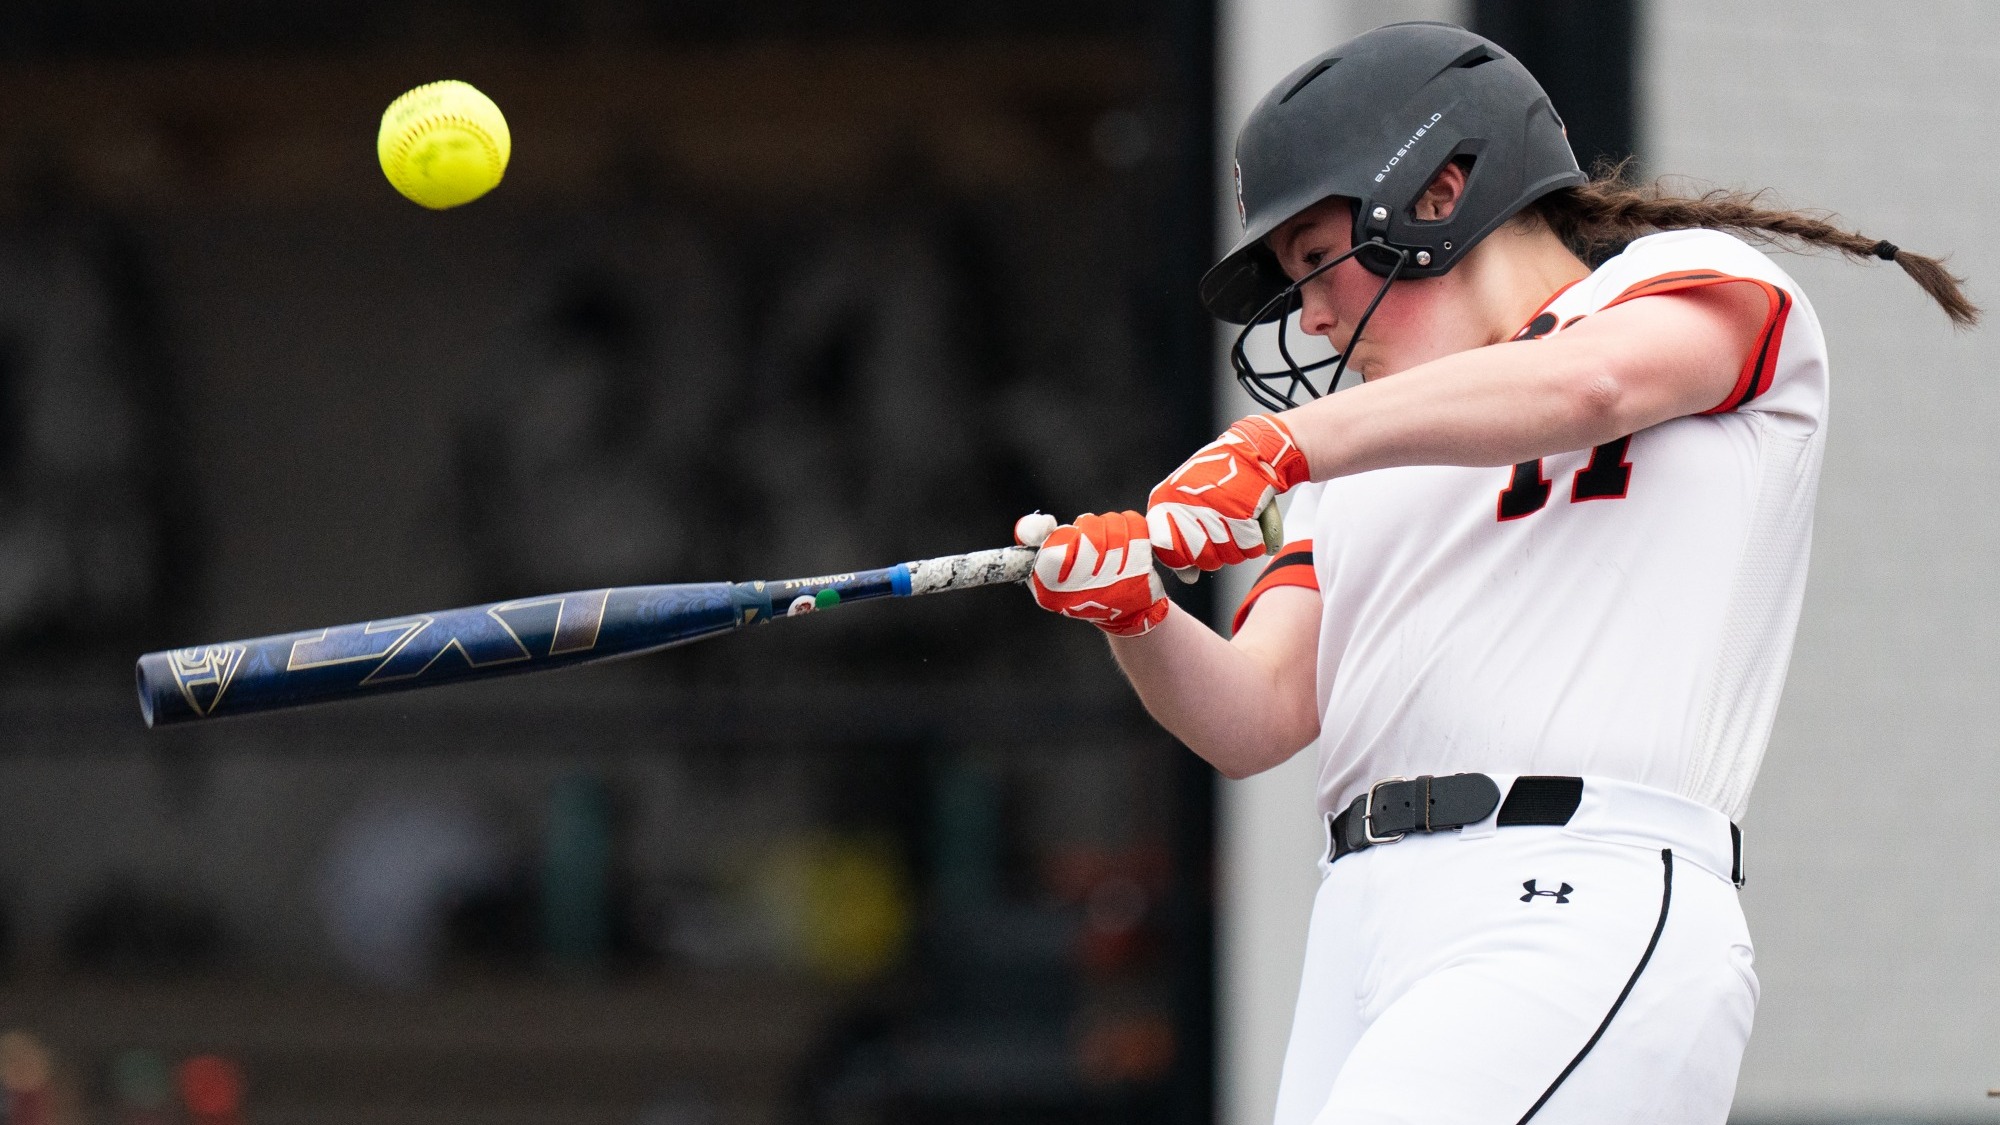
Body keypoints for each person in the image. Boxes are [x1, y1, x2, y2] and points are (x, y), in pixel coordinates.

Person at [1013, 21, 1977, 1125]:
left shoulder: (1689, 285)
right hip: (1365, 922)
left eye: (1316, 256)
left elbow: (1594, 389)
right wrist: (1135, 615)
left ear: (1440, 190)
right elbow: (1256, 718)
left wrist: (1277, 449)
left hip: (1570, 891)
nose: (1311, 314)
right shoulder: (1354, 453)